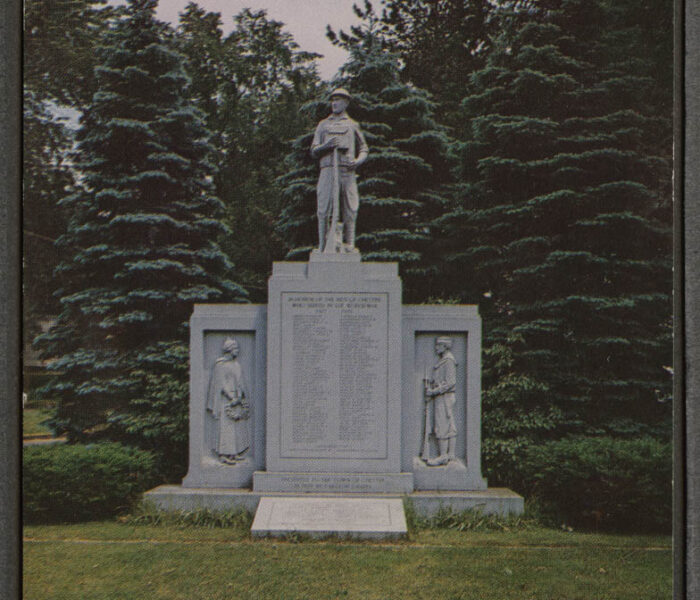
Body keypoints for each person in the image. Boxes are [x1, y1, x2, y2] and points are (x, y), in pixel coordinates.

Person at [310, 87, 369, 253]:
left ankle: (350, 244)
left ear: (346, 103)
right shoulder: (323, 125)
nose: (334, 103)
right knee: (323, 208)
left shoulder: (352, 125)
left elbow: (364, 148)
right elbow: (313, 150)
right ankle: (323, 246)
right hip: (328, 169)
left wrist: (357, 161)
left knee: (351, 207)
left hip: (347, 170)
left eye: (338, 100)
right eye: (333, 100)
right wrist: (326, 146)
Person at [206, 337, 250, 464]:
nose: (238, 350)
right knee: (226, 428)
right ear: (229, 350)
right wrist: (232, 398)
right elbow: (220, 384)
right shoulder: (220, 365)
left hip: (237, 399)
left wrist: (240, 397)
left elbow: (241, 382)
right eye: (235, 348)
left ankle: (233, 453)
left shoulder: (236, 364)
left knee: (236, 427)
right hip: (226, 400)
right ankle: (223, 454)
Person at [424, 336, 458, 466]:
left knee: (443, 425)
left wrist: (434, 391)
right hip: (444, 396)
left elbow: (450, 382)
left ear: (445, 346)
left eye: (438, 345)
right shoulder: (444, 360)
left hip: (444, 397)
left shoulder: (448, 360)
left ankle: (444, 456)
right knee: (448, 424)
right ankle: (450, 455)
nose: (436, 347)